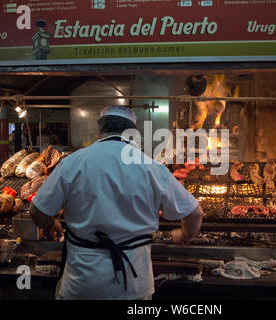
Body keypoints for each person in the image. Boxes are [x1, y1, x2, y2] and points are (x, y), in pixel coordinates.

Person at [29, 105, 203, 300]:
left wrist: (52, 224)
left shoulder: (72, 163)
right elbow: (194, 213)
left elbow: (37, 211)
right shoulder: (151, 167)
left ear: (100, 130)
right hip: (133, 286)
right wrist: (184, 234)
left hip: (83, 284)